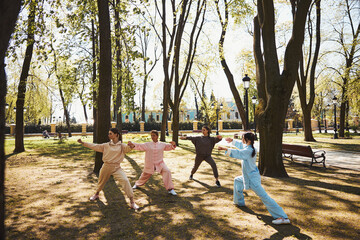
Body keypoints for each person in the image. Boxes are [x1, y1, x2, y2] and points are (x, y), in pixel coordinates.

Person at [218, 132, 290, 225]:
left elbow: (239, 153)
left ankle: (283, 217)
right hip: (247, 177)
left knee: (264, 197)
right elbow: (241, 146)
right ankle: (239, 202)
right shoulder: (249, 148)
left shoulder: (248, 150)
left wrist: (225, 148)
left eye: (243, 138)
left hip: (252, 179)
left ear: (248, 140)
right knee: (237, 180)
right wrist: (232, 141)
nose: (242, 140)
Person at [77, 128, 139, 210]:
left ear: (116, 134)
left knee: (125, 181)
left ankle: (132, 202)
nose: (109, 135)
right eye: (109, 133)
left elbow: (128, 149)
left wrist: (131, 146)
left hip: (117, 167)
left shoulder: (122, 146)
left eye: (111, 133)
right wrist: (83, 143)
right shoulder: (106, 145)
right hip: (106, 166)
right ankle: (96, 194)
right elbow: (95, 146)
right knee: (101, 181)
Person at [128, 130, 177, 196]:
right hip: (150, 163)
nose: (152, 137)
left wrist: (173, 144)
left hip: (160, 163)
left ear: (157, 136)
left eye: (154, 135)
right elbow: (140, 146)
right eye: (151, 135)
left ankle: (170, 189)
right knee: (145, 175)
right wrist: (133, 144)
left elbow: (169, 146)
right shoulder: (148, 144)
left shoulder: (162, 144)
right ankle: (137, 184)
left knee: (167, 171)